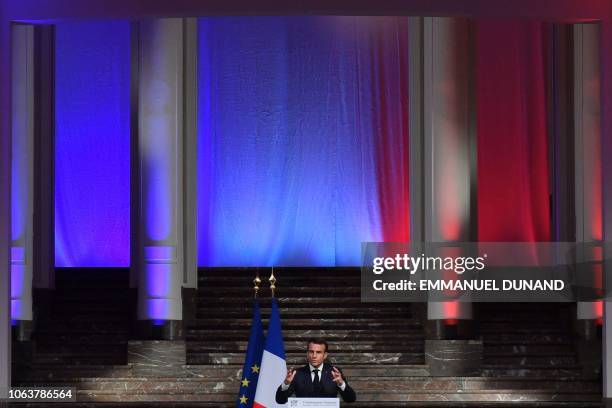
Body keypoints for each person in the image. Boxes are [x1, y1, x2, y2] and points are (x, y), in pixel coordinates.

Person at [275, 338, 356, 403]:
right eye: (311, 352)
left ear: (325, 355)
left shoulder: (334, 373)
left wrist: (341, 383)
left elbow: (350, 399)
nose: (314, 356)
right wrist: (286, 384)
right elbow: (280, 400)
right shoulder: (297, 373)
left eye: (318, 352)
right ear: (307, 354)